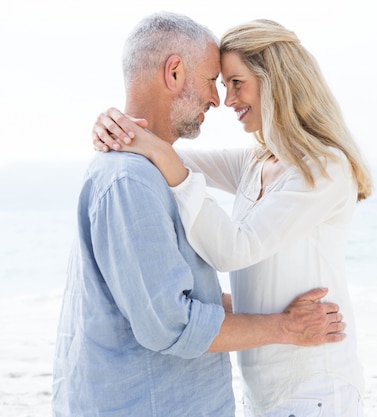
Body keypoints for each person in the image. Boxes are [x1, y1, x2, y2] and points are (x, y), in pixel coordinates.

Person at [53, 13, 348, 417]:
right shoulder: (138, 178)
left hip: (310, 384)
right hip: (263, 390)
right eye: (217, 82)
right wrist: (118, 128)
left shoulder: (323, 166)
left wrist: (143, 142)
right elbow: (170, 319)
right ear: (174, 73)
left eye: (234, 83)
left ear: (276, 82)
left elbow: (232, 245)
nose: (222, 100)